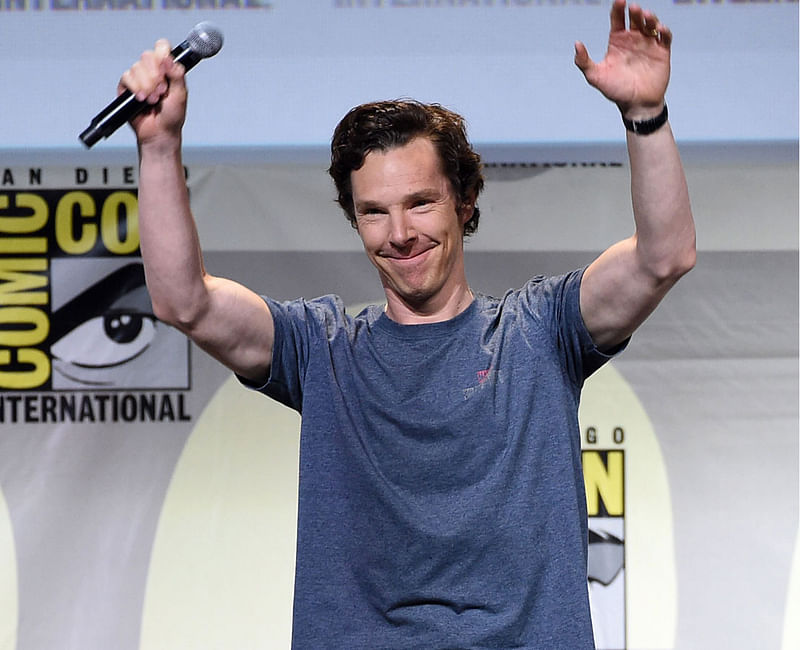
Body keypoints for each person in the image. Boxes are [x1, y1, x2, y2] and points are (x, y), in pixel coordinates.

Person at [121, 0, 695, 646]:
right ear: (353, 218)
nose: (400, 234)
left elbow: (662, 258)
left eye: (420, 203)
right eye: (374, 212)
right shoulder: (323, 352)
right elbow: (183, 301)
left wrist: (646, 115)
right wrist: (159, 145)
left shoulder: (540, 334)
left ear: (464, 199)